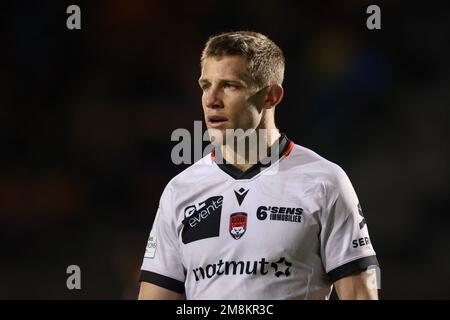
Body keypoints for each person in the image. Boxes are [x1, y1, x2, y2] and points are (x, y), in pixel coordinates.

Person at [138, 31, 380, 300]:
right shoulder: (180, 190)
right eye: (206, 85)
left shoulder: (324, 181)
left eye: (230, 85)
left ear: (271, 96)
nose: (211, 99)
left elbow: (360, 295)